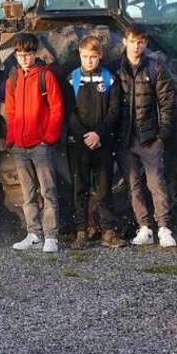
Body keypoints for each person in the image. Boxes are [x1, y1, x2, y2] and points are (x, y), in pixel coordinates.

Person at [116, 23, 177, 248]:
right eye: (132, 41)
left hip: (149, 137)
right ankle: (144, 228)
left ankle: (163, 228)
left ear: (146, 43)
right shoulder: (117, 67)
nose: (136, 46)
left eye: (140, 42)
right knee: (133, 185)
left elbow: (167, 101)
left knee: (156, 183)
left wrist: (162, 134)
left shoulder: (155, 67)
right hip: (125, 137)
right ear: (125, 42)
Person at [5, 33, 64, 253]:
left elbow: (56, 109)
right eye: (20, 55)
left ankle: (51, 236)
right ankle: (33, 234)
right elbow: (10, 110)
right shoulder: (13, 77)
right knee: (27, 193)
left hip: (40, 145)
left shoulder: (45, 76)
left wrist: (48, 138)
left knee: (47, 191)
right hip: (20, 146)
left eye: (27, 55)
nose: (24, 59)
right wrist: (12, 138)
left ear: (35, 53)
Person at [66, 35, 122, 248]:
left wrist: (98, 134)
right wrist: (84, 136)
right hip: (79, 144)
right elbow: (69, 112)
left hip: (102, 142)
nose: (89, 60)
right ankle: (81, 232)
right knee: (80, 187)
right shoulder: (72, 80)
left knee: (104, 187)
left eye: (93, 57)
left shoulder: (110, 79)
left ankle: (108, 231)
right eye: (85, 56)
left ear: (100, 56)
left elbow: (114, 110)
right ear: (80, 55)